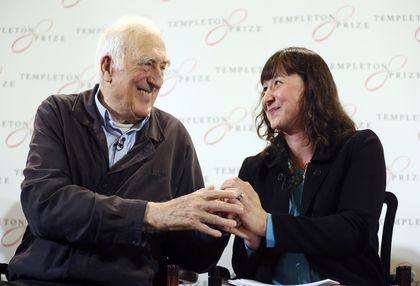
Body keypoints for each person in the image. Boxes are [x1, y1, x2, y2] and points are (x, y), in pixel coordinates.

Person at [6, 16, 243, 286]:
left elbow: (191, 259)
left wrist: (215, 224)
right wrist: (150, 214)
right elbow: (45, 204)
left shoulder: (174, 136)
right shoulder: (58, 114)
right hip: (46, 280)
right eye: (147, 64)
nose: (157, 80)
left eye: (163, 67)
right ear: (108, 67)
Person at [222, 47, 387, 285]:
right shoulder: (256, 167)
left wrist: (267, 225)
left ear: (312, 86)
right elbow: (241, 266)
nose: (267, 97)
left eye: (277, 83)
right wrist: (252, 243)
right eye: (264, 88)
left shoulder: (360, 147)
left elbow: (354, 231)